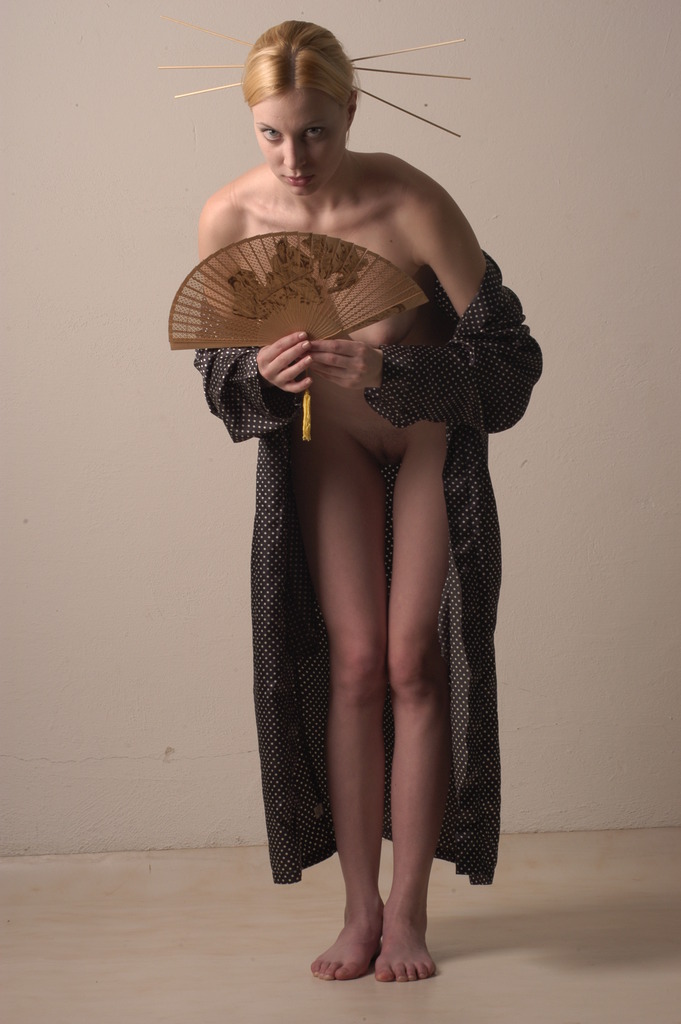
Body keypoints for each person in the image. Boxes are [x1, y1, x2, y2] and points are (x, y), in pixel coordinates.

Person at [193, 21, 542, 983]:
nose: (293, 158)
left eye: (314, 130)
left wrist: (394, 369)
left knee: (412, 660)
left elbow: (511, 365)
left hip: (421, 426)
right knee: (352, 664)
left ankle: (408, 915)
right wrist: (257, 374)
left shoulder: (411, 202)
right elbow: (218, 381)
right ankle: (358, 910)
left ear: (351, 109)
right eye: (271, 133)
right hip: (326, 438)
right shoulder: (230, 217)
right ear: (251, 122)